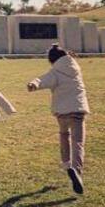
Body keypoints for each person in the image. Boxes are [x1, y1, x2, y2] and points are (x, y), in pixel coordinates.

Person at [27, 44, 90, 194]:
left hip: (62, 112)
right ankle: (77, 170)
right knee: (78, 142)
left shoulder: (55, 72)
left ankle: (67, 165)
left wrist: (34, 84)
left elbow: (42, 79)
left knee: (64, 135)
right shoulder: (76, 69)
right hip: (78, 110)